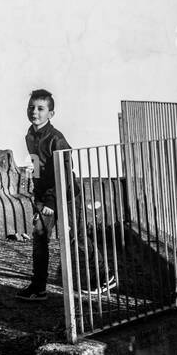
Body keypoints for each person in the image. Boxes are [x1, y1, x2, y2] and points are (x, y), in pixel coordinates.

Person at [19, 89, 114, 301]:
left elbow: (62, 171)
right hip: (47, 198)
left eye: (40, 108)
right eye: (31, 107)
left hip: (68, 194)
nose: (34, 112)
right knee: (39, 236)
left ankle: (105, 275)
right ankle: (39, 287)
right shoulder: (30, 135)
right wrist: (38, 198)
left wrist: (51, 201)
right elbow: (36, 166)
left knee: (78, 237)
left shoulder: (57, 139)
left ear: (51, 114)